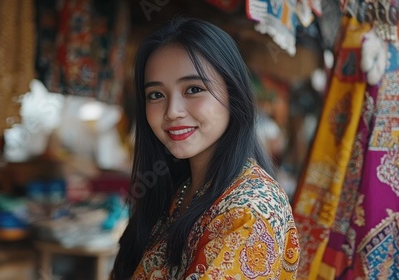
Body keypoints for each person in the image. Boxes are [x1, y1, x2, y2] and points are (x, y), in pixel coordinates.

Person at [112, 17, 299, 279]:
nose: (172, 111)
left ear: (232, 94)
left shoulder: (249, 210)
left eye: (193, 89)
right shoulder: (181, 189)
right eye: (156, 94)